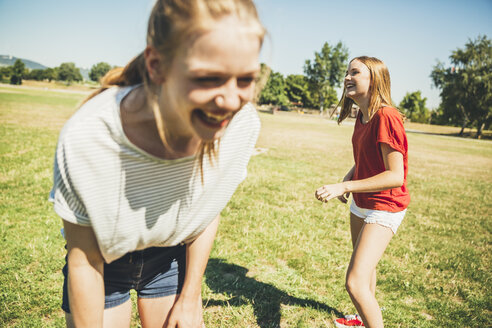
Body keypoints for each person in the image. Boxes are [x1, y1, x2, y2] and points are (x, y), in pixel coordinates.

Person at [49, 0, 265, 327]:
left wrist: (191, 297)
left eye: (246, 79)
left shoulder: (242, 126)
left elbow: (207, 209)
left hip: (170, 259)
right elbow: (85, 262)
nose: (231, 101)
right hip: (102, 263)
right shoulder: (90, 137)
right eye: (208, 78)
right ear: (156, 65)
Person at [315, 56, 410, 328]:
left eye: (354, 72)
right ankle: (360, 320)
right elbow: (369, 155)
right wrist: (351, 173)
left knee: (354, 283)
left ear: (374, 79)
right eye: (346, 72)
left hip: (385, 206)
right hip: (361, 203)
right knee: (366, 271)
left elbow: (395, 176)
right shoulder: (364, 115)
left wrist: (344, 186)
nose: (347, 77)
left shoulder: (387, 116)